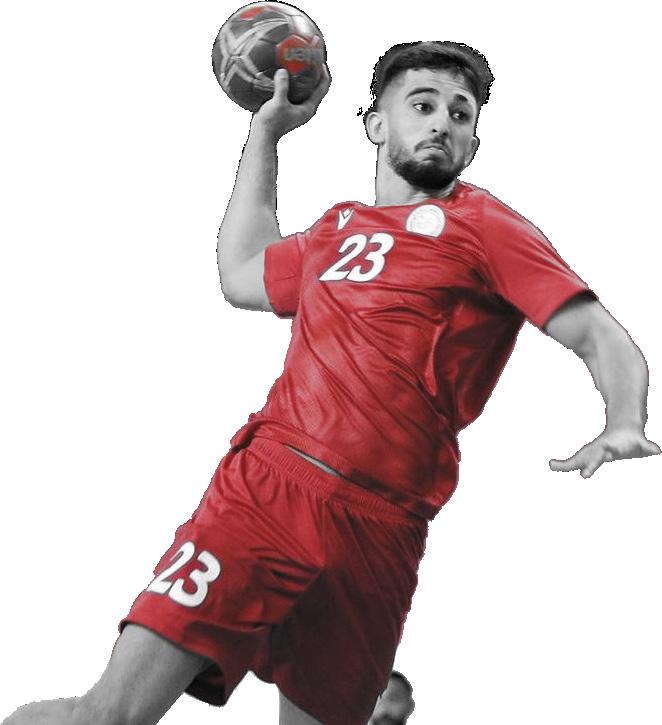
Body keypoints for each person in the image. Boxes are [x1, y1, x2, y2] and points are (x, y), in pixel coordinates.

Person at [3, 38, 659, 725]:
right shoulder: (335, 231)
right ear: (375, 124)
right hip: (268, 494)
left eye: (461, 114)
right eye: (423, 105)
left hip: (383, 533)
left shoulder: (488, 226)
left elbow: (601, 336)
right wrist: (265, 135)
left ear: (473, 143)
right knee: (106, 717)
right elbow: (242, 271)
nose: (443, 123)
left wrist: (623, 419)